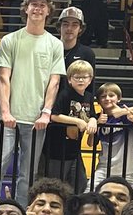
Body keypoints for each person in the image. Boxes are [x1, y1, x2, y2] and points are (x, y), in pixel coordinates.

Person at [0, 0, 66, 204]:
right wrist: (5, 112)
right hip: (8, 119)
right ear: (26, 8)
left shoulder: (55, 44)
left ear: (48, 11)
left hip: (36, 120)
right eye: (33, 4)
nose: (37, 8)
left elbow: (54, 81)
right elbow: (3, 78)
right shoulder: (10, 40)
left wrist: (46, 112)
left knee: (28, 174)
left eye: (42, 5)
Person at [41, 59, 97, 191]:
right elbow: (54, 115)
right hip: (57, 150)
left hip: (74, 150)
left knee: (80, 184)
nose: (81, 80)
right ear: (70, 79)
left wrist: (93, 121)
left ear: (90, 80)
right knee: (54, 186)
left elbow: (93, 115)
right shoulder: (65, 95)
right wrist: (77, 121)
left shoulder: (89, 96)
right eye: (77, 77)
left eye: (84, 77)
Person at [91, 83, 133, 188]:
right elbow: (90, 143)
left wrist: (122, 111)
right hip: (103, 168)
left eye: (111, 95)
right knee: (89, 193)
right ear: (98, 101)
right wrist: (97, 124)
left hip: (128, 169)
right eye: (103, 96)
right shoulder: (98, 117)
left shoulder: (127, 115)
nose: (107, 99)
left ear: (119, 98)